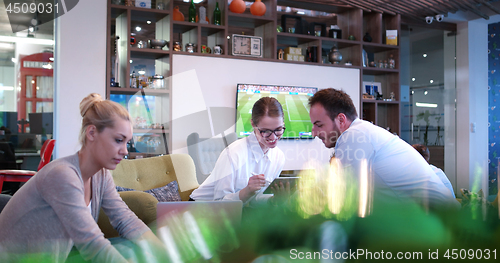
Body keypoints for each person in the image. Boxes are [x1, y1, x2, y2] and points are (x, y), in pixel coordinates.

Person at [0, 93, 167, 262]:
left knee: (130, 247)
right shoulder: (62, 175)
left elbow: (126, 221)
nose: (125, 151)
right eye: (118, 140)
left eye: (127, 142)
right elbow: (92, 245)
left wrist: (168, 255)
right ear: (92, 132)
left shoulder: (101, 176)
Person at [308, 88, 458, 209]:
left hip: (437, 228)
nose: (314, 132)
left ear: (341, 120)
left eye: (319, 125)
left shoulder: (352, 136)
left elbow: (344, 203)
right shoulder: (365, 131)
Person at [190, 97, 286, 206]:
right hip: (201, 208)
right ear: (253, 125)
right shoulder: (233, 153)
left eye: (278, 129)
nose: (273, 137)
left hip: (241, 210)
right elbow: (219, 203)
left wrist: (274, 200)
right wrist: (247, 191)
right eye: (265, 131)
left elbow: (255, 200)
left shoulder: (279, 157)